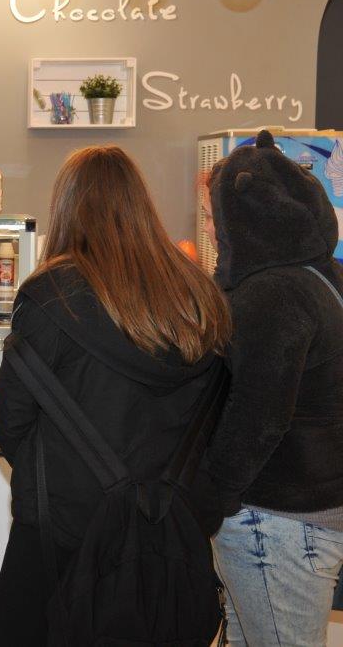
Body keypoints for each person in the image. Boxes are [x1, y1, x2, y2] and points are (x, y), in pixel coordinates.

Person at [0, 146, 231, 646]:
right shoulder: (199, 292)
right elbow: (218, 412)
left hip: (61, 526)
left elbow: (10, 418)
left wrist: (54, 472)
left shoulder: (50, 295)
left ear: (66, 206)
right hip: (168, 523)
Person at [192, 130, 343, 646]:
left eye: (212, 216)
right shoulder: (321, 275)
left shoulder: (271, 294)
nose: (209, 229)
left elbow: (257, 417)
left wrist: (208, 499)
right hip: (307, 511)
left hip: (276, 520)